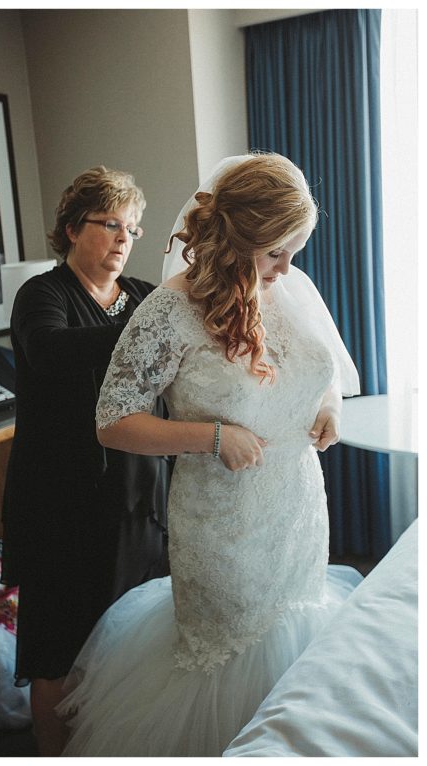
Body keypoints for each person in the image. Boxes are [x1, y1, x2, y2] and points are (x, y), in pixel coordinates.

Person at [57, 153, 363, 756]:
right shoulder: (170, 311)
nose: (286, 267)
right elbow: (112, 422)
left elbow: (326, 374)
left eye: (294, 250)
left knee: (298, 649)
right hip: (224, 529)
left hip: (297, 510)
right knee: (230, 666)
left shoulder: (289, 288)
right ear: (237, 238)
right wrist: (214, 438)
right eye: (275, 250)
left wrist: (330, 409)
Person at [0, 166, 170, 756]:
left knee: (134, 635)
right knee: (60, 650)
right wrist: (144, 334)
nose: (125, 238)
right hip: (61, 502)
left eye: (134, 228)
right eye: (111, 224)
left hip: (137, 495)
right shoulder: (42, 295)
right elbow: (50, 353)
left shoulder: (146, 297)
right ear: (73, 229)